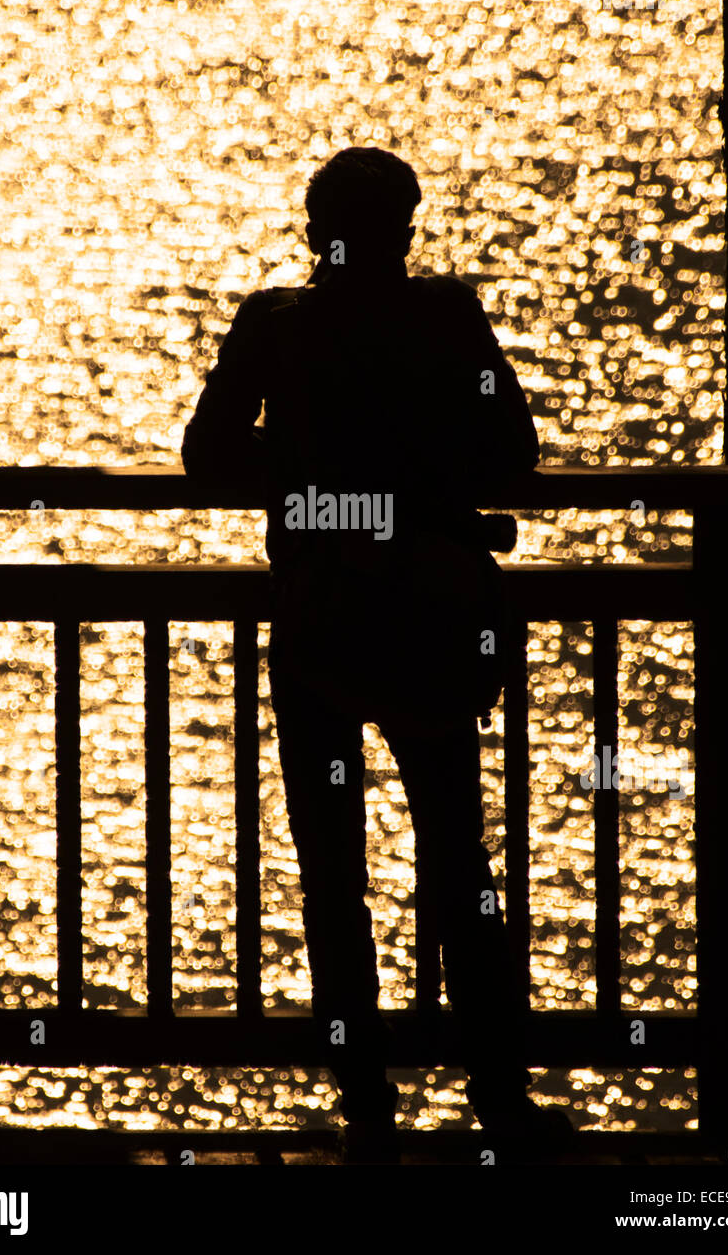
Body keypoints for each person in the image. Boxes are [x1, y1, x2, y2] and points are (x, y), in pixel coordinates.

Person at [182, 147, 573, 1161]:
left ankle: (362, 1096)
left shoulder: (276, 327)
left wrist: (305, 478)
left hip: (320, 625)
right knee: (459, 863)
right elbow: (513, 452)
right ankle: (497, 1089)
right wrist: (419, 488)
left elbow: (207, 456)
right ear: (402, 229)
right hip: (433, 623)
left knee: (331, 874)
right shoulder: (446, 315)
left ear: (315, 231)